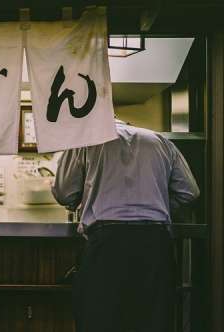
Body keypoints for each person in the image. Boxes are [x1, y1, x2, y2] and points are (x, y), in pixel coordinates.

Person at [52, 119, 200, 332]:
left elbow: (65, 193)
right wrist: (159, 202)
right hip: (155, 242)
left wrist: (86, 195)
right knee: (153, 320)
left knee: (101, 319)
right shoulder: (160, 141)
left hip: (107, 244)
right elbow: (190, 192)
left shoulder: (86, 140)